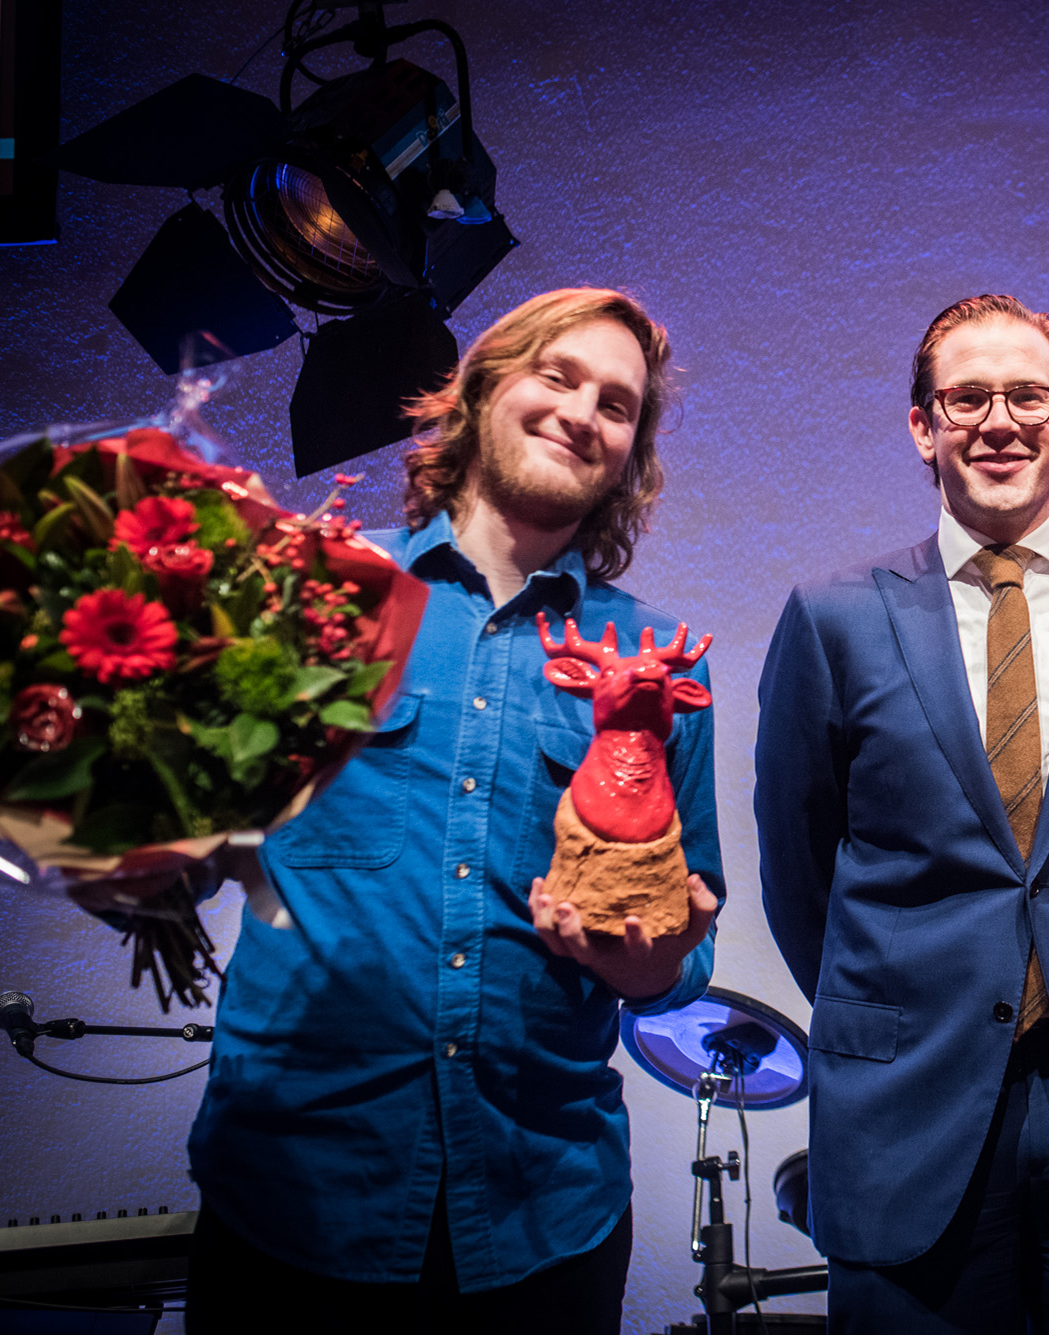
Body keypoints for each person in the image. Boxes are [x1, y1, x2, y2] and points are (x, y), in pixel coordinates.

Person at [185, 288, 723, 1333]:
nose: (582, 413)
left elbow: (681, 952)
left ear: (630, 454)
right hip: (294, 1198)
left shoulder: (658, 664)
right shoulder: (316, 592)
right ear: (478, 392)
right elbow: (194, 835)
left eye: (617, 405)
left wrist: (648, 963)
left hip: (542, 1219)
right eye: (557, 376)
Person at [755, 295, 1049, 1334]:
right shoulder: (831, 618)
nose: (998, 421)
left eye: (1027, 395)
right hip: (907, 1108)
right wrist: (894, 1005)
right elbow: (796, 865)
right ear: (922, 426)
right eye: (966, 397)